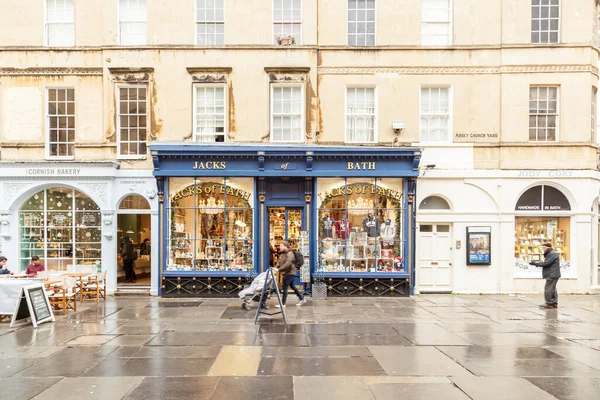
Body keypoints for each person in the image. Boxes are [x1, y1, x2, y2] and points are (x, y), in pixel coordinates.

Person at [275, 241, 306, 308]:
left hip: (289, 272)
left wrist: (279, 269)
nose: (280, 247)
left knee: (285, 287)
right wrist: (275, 268)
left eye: (281, 246)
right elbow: (279, 261)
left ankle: (283, 303)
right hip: (287, 272)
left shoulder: (290, 253)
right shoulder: (283, 253)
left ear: (286, 246)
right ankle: (301, 298)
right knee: (292, 286)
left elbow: (288, 263)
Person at [530, 243, 561, 309]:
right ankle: (553, 303)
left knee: (548, 289)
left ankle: (549, 303)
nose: (542, 249)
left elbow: (546, 263)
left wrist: (536, 263)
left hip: (552, 274)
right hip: (553, 274)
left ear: (546, 248)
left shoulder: (552, 254)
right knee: (552, 289)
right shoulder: (551, 254)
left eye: (543, 248)